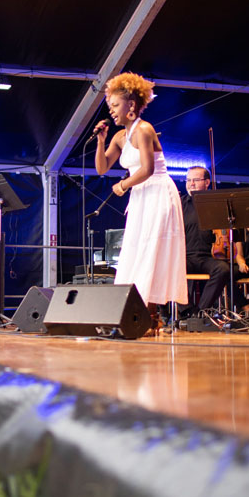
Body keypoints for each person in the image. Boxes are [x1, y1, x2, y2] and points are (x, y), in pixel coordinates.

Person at [95, 73, 187, 328]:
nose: (112, 111)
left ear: (131, 105)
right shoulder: (119, 137)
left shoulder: (144, 130)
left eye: (115, 105)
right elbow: (102, 168)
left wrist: (123, 185)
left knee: (151, 251)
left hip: (157, 192)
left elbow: (147, 169)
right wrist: (101, 142)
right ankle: (143, 316)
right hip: (141, 195)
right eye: (110, 106)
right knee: (136, 252)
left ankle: (149, 316)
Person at [179, 166, 249, 315]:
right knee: (167, 269)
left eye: (195, 180)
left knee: (223, 269)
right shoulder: (179, 204)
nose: (191, 184)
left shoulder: (218, 203)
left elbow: (235, 233)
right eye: (188, 180)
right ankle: (186, 310)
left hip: (209, 257)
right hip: (186, 258)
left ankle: (200, 313)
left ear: (207, 183)